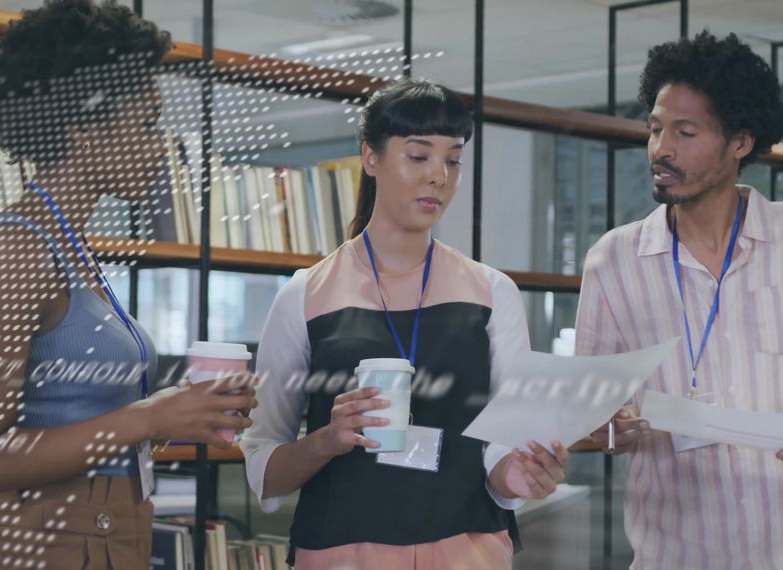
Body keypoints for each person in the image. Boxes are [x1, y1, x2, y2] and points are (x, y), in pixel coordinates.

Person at [0, 2, 255, 568]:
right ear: (84, 128)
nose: (160, 145)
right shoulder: (18, 249)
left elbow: (73, 420)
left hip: (103, 532)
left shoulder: (70, 246)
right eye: (147, 122)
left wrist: (177, 415)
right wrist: (151, 417)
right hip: (51, 541)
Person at [575, 31, 783, 569]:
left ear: (740, 142)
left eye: (685, 132)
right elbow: (593, 414)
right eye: (655, 129)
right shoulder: (612, 261)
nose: (661, 149)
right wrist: (611, 428)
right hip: (675, 554)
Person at [241, 79, 570, 570]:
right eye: (418, 156)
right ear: (370, 157)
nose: (439, 176)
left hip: (469, 550)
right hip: (342, 553)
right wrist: (327, 439)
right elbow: (264, 471)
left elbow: (501, 450)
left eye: (453, 161)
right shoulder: (304, 295)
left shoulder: (491, 292)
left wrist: (523, 474)